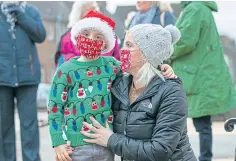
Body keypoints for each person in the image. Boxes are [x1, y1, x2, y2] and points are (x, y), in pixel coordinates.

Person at [48, 11, 176, 161]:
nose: (91, 39)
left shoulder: (111, 65)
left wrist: (162, 68)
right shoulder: (65, 70)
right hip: (76, 148)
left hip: (107, 146)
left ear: (105, 44)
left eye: (98, 37)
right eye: (86, 33)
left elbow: (141, 66)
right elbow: (55, 107)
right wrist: (58, 142)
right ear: (77, 36)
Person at [81, 24, 197, 161]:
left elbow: (160, 150)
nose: (122, 50)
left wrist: (111, 140)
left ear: (147, 54)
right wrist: (68, 142)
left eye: (129, 45)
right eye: (124, 44)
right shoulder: (120, 85)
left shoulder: (171, 93)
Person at [169, 2, 236, 161]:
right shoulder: (200, 8)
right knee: (202, 124)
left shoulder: (195, 8)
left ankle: (203, 158)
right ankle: (204, 157)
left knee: (195, 123)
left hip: (196, 75)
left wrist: (166, 53)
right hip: (202, 73)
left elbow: (184, 41)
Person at [0, 1, 46, 161]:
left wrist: (20, 14)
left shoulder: (30, 11)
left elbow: (40, 35)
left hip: (28, 77)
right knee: (4, 127)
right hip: (2, 79)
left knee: (29, 127)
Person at [54, 1, 120, 68]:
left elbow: (116, 57)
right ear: (79, 13)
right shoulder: (68, 37)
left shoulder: (108, 34)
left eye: (95, 8)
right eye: (89, 9)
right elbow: (63, 61)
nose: (95, 11)